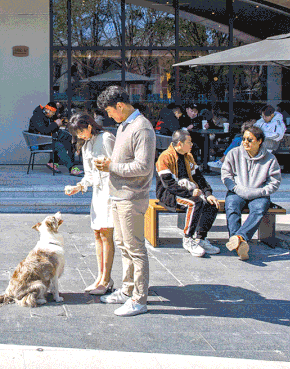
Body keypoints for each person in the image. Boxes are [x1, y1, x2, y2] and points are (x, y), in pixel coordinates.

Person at [93, 85, 156, 317]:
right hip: (118, 195)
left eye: (110, 111)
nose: (109, 116)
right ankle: (128, 289)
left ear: (120, 106)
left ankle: (139, 299)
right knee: (123, 245)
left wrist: (112, 166)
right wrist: (109, 164)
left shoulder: (142, 128)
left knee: (135, 248)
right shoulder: (124, 126)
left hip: (132, 196)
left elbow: (143, 167)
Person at [63, 112, 117, 295]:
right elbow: (89, 175)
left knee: (106, 234)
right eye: (76, 134)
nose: (79, 136)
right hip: (98, 193)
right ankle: (100, 277)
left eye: (80, 131)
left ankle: (106, 279)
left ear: (89, 126)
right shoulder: (86, 145)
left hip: (110, 192)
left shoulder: (106, 138)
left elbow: (117, 165)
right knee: (97, 233)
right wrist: (79, 186)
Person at [220, 122, 282, 261]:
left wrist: (260, 192)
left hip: (259, 194)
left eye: (250, 140)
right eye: (243, 139)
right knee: (232, 206)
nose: (245, 142)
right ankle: (240, 244)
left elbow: (274, 182)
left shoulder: (270, 159)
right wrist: (236, 188)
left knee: (259, 208)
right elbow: (226, 175)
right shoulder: (234, 153)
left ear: (259, 141)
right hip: (237, 191)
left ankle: (239, 238)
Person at [156, 129, 221, 258]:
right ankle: (188, 238)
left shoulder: (188, 156)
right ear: (180, 143)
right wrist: (190, 192)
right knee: (195, 202)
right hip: (169, 194)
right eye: (189, 142)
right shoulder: (165, 156)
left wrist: (208, 193)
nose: (192, 145)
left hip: (187, 190)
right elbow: (168, 184)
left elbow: (199, 178)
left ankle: (201, 238)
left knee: (212, 204)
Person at [28, 103, 80, 176]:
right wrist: (56, 124)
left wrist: (57, 123)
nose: (53, 114)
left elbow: (50, 129)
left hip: (45, 140)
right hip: (38, 143)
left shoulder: (45, 116)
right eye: (52, 112)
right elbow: (45, 131)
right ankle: (71, 168)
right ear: (47, 110)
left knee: (66, 137)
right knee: (58, 145)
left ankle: (53, 162)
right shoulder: (37, 117)